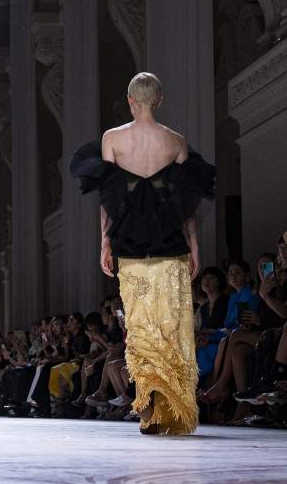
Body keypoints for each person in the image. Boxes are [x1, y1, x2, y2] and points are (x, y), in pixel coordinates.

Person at [70, 72, 215, 435]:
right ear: (159, 99)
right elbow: (185, 205)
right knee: (170, 327)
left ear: (131, 100)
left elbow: (109, 200)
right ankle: (170, 409)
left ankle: (150, 408)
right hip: (170, 246)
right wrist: (195, 246)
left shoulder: (113, 138)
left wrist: (104, 242)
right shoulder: (176, 141)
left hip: (131, 246)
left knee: (141, 328)